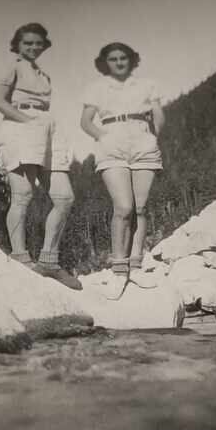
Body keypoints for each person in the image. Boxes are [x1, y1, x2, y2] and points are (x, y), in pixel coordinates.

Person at [0, 22, 81, 290]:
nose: (33, 47)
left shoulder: (43, 74)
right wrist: (26, 120)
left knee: (64, 198)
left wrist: (41, 124)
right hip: (21, 126)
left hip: (48, 129)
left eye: (38, 43)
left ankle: (49, 261)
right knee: (23, 195)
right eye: (27, 42)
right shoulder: (11, 64)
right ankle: (20, 257)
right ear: (17, 44)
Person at [80, 41, 164, 299]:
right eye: (113, 59)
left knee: (140, 208)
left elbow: (158, 115)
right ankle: (119, 271)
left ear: (131, 59)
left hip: (142, 141)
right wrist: (103, 138)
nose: (119, 62)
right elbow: (85, 121)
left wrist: (152, 138)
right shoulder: (97, 87)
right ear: (106, 62)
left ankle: (136, 266)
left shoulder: (147, 85)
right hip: (112, 141)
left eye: (123, 58)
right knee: (123, 208)